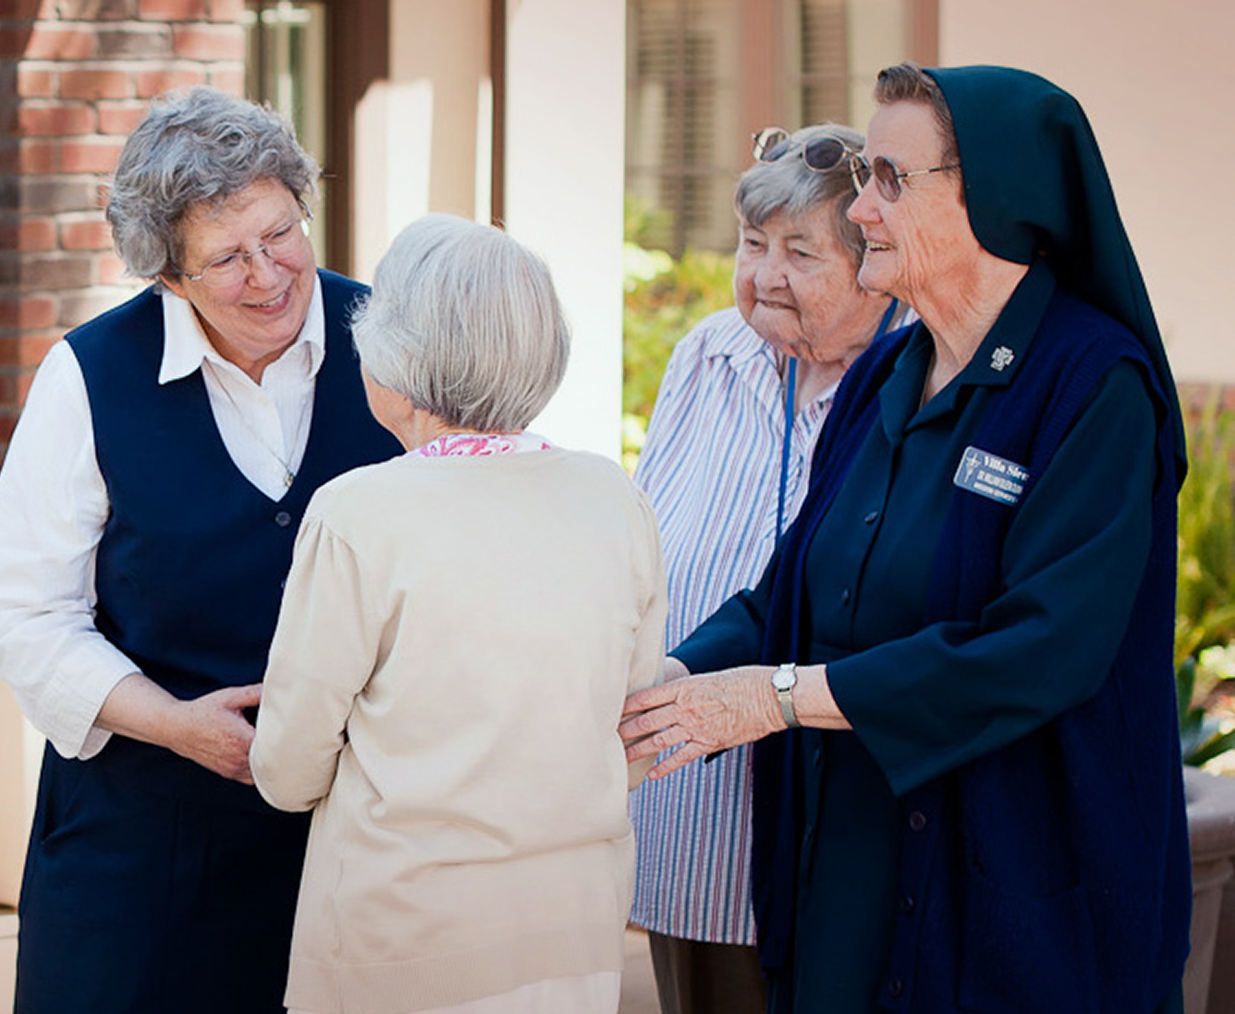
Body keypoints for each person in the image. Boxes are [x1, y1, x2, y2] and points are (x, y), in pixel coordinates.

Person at [621, 63, 1191, 1014]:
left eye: (889, 179)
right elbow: (793, 584)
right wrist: (680, 681)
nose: (861, 212)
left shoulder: (1095, 386)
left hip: (1016, 905)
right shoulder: (891, 364)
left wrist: (781, 697)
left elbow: (1041, 651)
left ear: (996, 201)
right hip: (850, 883)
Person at [0, 87, 402, 1014]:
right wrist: (174, 723)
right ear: (166, 276)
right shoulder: (89, 377)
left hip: (353, 836)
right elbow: (18, 610)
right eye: (227, 258)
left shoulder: (396, 342)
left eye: (281, 233)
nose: (270, 274)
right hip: (141, 843)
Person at [249, 213, 668, 1014]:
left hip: (402, 940)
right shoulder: (615, 498)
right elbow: (633, 728)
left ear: (394, 358)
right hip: (572, 928)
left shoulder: (359, 513)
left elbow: (288, 765)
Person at [627, 122, 900, 1014]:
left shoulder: (910, 380)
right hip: (678, 788)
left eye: (799, 252)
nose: (764, 275)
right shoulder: (709, 350)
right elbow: (646, 530)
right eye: (752, 244)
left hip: (815, 789)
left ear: (874, 260)